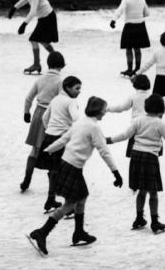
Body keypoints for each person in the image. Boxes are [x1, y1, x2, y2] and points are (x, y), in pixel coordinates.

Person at [27, 96, 122, 256]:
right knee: (70, 204)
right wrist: (116, 173)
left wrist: (48, 149)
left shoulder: (79, 123)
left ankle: (79, 232)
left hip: (66, 164)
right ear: (98, 110)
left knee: (82, 197)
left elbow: (64, 140)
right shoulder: (94, 128)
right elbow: (104, 151)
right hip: (73, 167)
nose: (105, 112)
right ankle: (42, 232)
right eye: (104, 110)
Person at [106, 94, 165, 233]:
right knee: (153, 192)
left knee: (141, 190)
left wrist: (109, 140)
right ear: (161, 110)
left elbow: (124, 135)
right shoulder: (160, 123)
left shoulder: (138, 120)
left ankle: (139, 218)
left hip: (136, 156)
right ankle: (155, 221)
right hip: (150, 158)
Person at [20, 51, 65, 192]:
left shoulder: (40, 79)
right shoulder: (60, 82)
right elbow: (62, 101)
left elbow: (28, 98)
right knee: (54, 151)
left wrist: (27, 113)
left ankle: (27, 179)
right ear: (61, 66)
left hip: (38, 114)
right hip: (53, 116)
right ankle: (55, 186)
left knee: (35, 149)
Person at [36, 75, 82, 212]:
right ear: (68, 88)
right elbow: (76, 118)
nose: (79, 91)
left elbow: (45, 117)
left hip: (49, 137)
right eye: (77, 88)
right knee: (68, 171)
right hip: (62, 139)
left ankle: (50, 199)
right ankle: (70, 205)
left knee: (53, 171)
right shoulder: (71, 102)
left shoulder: (55, 99)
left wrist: (50, 129)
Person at [107, 74, 165, 157]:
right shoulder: (153, 97)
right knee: (153, 155)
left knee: (135, 154)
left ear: (135, 86)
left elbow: (121, 108)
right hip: (152, 128)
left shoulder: (133, 97)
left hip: (136, 128)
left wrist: (108, 109)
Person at [8, 0, 58, 74]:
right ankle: (57, 61)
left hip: (48, 18)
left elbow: (33, 11)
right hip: (45, 17)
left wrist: (24, 24)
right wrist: (14, 8)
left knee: (34, 39)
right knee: (43, 41)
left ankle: (37, 64)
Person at [112, 0, 150, 77]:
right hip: (140, 26)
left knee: (129, 48)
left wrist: (114, 20)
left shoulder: (126, 0)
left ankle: (129, 69)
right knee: (137, 48)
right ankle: (137, 69)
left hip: (129, 26)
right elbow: (147, 13)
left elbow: (120, 10)